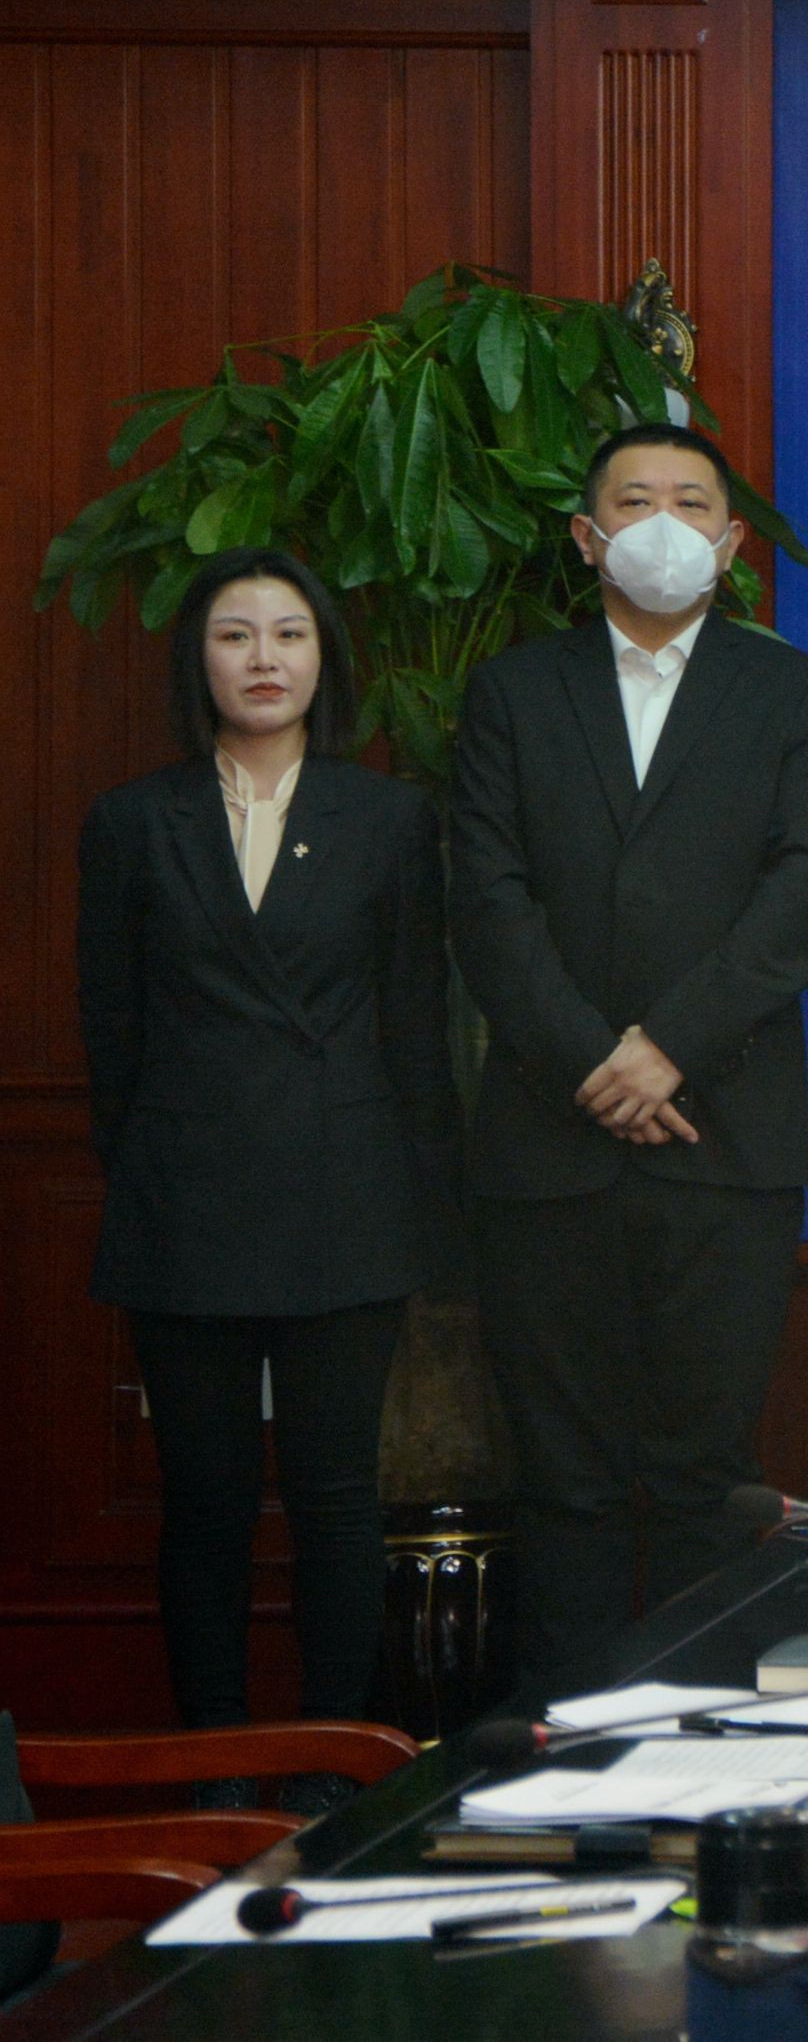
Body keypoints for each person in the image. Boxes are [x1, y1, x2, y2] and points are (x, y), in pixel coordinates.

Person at [453, 424, 808, 1687]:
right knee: (562, 1478)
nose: (664, 523)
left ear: (730, 545)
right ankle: (564, 1747)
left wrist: (668, 1047)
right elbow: (487, 901)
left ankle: (697, 1737)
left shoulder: (795, 693)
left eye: (692, 502)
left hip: (727, 1138)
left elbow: (802, 900)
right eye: (635, 500)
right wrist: (595, 1060)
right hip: (546, 1140)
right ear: (588, 537)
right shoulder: (514, 692)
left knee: (702, 1472)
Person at [77, 548, 455, 1751]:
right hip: (185, 1200)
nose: (263, 659)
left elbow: (415, 1028)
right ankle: (219, 1762)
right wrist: (158, 1166)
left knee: (337, 1497)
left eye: (289, 634)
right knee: (206, 1502)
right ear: (198, 660)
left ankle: (332, 1759)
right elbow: (113, 1035)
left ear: (323, 658)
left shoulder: (389, 818)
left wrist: (427, 1210)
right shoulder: (132, 820)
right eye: (234, 635)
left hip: (345, 1195)